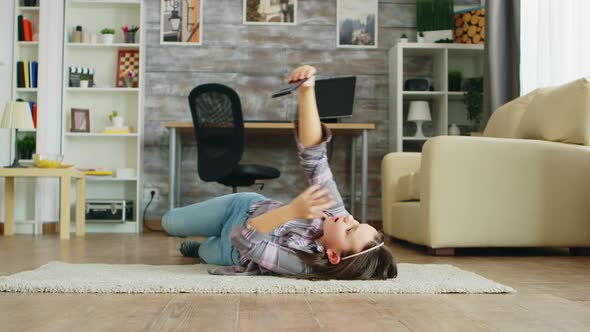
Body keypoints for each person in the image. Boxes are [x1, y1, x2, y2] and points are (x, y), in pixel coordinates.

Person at [162, 65, 397, 280]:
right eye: (357, 221)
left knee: (204, 252)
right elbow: (316, 159)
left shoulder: (303, 266)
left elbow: (243, 239)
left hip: (233, 249)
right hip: (242, 207)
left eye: (350, 229)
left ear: (333, 255)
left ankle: (199, 249)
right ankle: (200, 241)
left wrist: (292, 210)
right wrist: (307, 92)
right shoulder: (334, 214)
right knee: (169, 223)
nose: (348, 218)